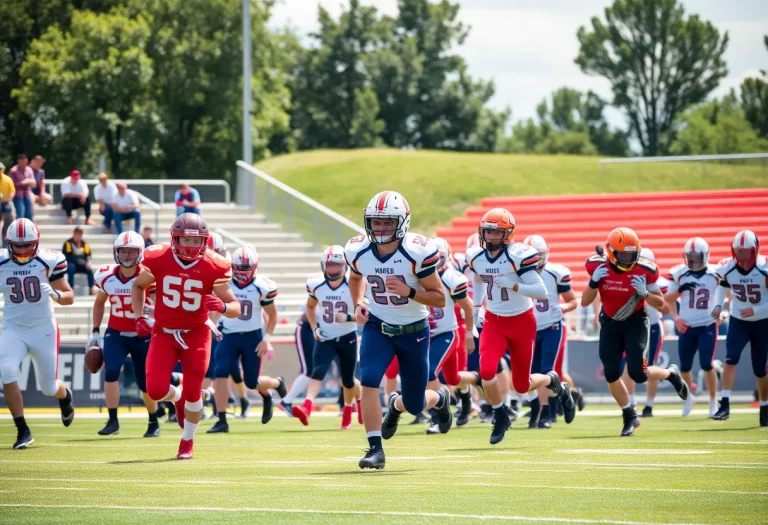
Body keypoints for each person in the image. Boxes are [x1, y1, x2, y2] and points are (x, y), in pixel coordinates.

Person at [345, 190, 452, 470]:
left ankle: (439, 397)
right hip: (377, 327)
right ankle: (375, 449)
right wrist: (358, 303)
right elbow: (355, 278)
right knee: (369, 380)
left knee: (415, 404)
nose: (381, 228)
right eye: (376, 222)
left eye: (388, 222)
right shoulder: (358, 251)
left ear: (402, 222)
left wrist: (409, 292)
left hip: (413, 331)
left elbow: (439, 298)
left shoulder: (416, 252)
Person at [131, 213, 241, 460]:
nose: (191, 246)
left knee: (194, 392)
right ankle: (177, 397)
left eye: (196, 241)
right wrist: (139, 317)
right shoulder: (158, 257)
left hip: (196, 334)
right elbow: (138, 286)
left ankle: (187, 441)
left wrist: (223, 307)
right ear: (175, 238)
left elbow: (235, 307)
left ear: (204, 240)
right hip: (164, 332)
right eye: (186, 240)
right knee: (155, 390)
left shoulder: (214, 264)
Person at [466, 209, 575, 445]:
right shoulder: (476, 255)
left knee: (522, 385)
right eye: (487, 231)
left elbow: (541, 291)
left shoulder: (518, 255)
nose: (490, 236)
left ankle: (551, 380)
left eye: (496, 232)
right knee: (486, 370)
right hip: (494, 320)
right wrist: (476, 307)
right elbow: (478, 278)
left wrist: (513, 285)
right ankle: (500, 415)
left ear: (508, 234)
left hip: (522, 322)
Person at [582, 227, 690, 436]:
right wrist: (593, 282)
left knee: (638, 374)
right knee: (611, 373)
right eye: (623, 255)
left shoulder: (645, 270)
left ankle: (670, 374)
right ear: (611, 252)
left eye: (632, 255)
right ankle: (629, 415)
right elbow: (585, 302)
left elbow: (662, 305)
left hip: (635, 322)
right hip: (610, 323)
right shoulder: (597, 266)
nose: (628, 259)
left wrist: (645, 293)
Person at [0, 218, 75, 449]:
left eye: (27, 245)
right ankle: (22, 429)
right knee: (6, 371)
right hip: (13, 327)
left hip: (43, 329)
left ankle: (65, 396)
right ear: (8, 242)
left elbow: (69, 296)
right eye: (18, 245)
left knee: (48, 388)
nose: (22, 250)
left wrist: (56, 294)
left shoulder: (49, 260)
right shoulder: (2, 262)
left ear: (36, 242)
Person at [207, 246, 286, 433]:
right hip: (228, 334)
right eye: (239, 268)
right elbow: (215, 307)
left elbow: (272, 315)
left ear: (255, 267)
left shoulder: (262, 287)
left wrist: (266, 339)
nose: (243, 273)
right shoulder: (224, 283)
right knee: (220, 372)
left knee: (251, 382)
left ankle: (276, 384)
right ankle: (221, 420)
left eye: (246, 269)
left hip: (252, 336)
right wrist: (215, 326)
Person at [90, 232, 159, 437]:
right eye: (123, 251)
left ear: (140, 253)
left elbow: (162, 306)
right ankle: (113, 421)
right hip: (116, 332)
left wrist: (150, 312)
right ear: (116, 252)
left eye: (132, 252)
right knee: (111, 371)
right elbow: (99, 303)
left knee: (144, 383)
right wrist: (95, 331)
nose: (127, 256)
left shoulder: (148, 276)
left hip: (142, 335)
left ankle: (153, 421)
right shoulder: (107, 276)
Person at [291, 246, 364, 430]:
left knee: (348, 380)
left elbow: (366, 314)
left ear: (344, 265)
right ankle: (307, 407)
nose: (333, 268)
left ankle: (351, 408)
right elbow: (310, 307)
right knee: (317, 372)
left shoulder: (354, 282)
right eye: (330, 264)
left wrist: (349, 317)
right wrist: (315, 328)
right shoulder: (316, 284)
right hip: (326, 337)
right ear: (323, 265)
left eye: (337, 264)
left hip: (347, 336)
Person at [711, 230, 768, 426]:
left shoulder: (764, 267)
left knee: (760, 369)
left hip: (762, 321)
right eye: (738, 250)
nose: (741, 255)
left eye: (745, 251)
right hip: (739, 320)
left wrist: (756, 310)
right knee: (730, 359)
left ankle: (765, 407)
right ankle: (725, 404)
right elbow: (722, 286)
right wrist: (718, 305)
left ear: (755, 250)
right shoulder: (728, 267)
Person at [523, 234, 579, 429]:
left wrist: (563, 308)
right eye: (533, 256)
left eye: (540, 255)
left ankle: (546, 413)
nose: (537, 260)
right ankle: (558, 397)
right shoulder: (516, 273)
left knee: (547, 370)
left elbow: (573, 301)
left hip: (551, 327)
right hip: (528, 330)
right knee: (530, 374)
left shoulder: (555, 273)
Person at [424, 237, 479, 432]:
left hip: (445, 332)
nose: (434, 261)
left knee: (429, 372)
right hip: (424, 333)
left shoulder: (451, 278)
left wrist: (469, 333)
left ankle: (438, 416)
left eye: (438, 257)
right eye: (430, 257)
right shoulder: (417, 275)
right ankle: (470, 386)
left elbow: (468, 307)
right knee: (453, 378)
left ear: (446, 257)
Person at [665, 237, 721, 417]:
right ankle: (689, 397)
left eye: (697, 257)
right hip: (686, 326)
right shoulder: (679, 273)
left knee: (706, 364)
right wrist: (676, 317)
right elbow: (667, 299)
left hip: (706, 324)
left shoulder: (716, 273)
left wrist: (723, 311)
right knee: (685, 367)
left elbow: (728, 294)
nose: (694, 260)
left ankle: (713, 401)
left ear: (706, 255)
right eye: (691, 256)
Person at [621, 248, 669, 418]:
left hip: (653, 326)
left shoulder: (659, 283)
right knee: (629, 366)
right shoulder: (628, 278)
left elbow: (665, 308)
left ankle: (649, 405)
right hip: (633, 327)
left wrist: (646, 294)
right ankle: (631, 403)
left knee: (649, 367)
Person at [279, 307, 316, 415]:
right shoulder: (317, 299)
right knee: (308, 371)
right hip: (307, 330)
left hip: (319, 332)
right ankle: (287, 401)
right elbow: (305, 316)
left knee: (314, 371)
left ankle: (289, 401)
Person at [62, 226, 95, 293]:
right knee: (71, 267)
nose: (78, 236)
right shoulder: (68, 243)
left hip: (82, 264)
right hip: (72, 263)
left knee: (89, 269)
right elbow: (67, 256)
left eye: (80, 234)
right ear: (74, 234)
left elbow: (88, 255)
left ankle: (91, 288)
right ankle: (70, 289)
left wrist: (88, 262)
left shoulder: (84, 244)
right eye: (77, 234)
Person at [8, 154, 35, 220]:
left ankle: (28, 226)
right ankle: (19, 226)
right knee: (20, 214)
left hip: (27, 194)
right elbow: (11, 184)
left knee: (29, 214)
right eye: (22, 161)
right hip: (17, 195)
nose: (23, 163)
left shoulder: (29, 170)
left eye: (25, 161)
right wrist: (22, 183)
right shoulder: (13, 171)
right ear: (18, 161)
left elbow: (34, 182)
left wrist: (29, 182)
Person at [0, 162, 15, 243]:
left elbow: (12, 191)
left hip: (6, 203)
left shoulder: (8, 179)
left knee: (11, 215)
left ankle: (10, 234)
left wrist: (8, 200)